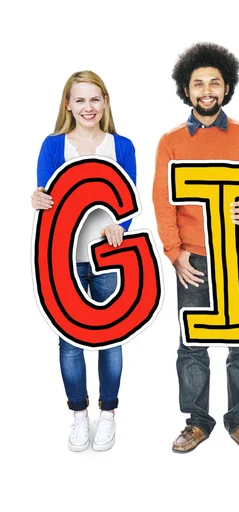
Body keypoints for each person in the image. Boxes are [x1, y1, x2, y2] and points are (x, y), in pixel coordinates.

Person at [153, 42, 239, 454]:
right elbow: (163, 201)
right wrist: (174, 252)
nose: (206, 90)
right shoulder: (170, 141)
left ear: (226, 88)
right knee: (192, 343)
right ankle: (197, 421)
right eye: (198, 83)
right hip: (193, 258)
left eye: (214, 83)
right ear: (186, 89)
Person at [31, 70, 137, 452]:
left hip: (108, 259)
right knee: (70, 341)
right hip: (64, 259)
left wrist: (118, 226)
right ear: (68, 105)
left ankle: (108, 414)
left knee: (112, 338)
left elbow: (129, 198)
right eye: (80, 100)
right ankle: (79, 415)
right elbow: (49, 197)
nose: (88, 107)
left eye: (95, 99)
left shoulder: (121, 145)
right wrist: (37, 200)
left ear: (105, 102)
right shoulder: (53, 144)